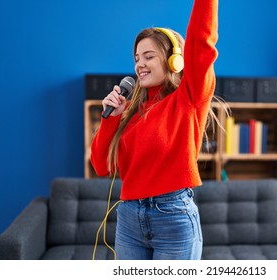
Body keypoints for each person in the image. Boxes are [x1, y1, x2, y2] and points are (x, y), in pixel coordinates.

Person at [90, 0, 219, 260]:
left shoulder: (188, 98)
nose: (140, 64)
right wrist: (110, 120)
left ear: (175, 61)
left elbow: (201, 43)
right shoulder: (129, 114)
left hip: (173, 215)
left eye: (149, 56)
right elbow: (101, 166)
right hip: (129, 218)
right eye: (137, 58)